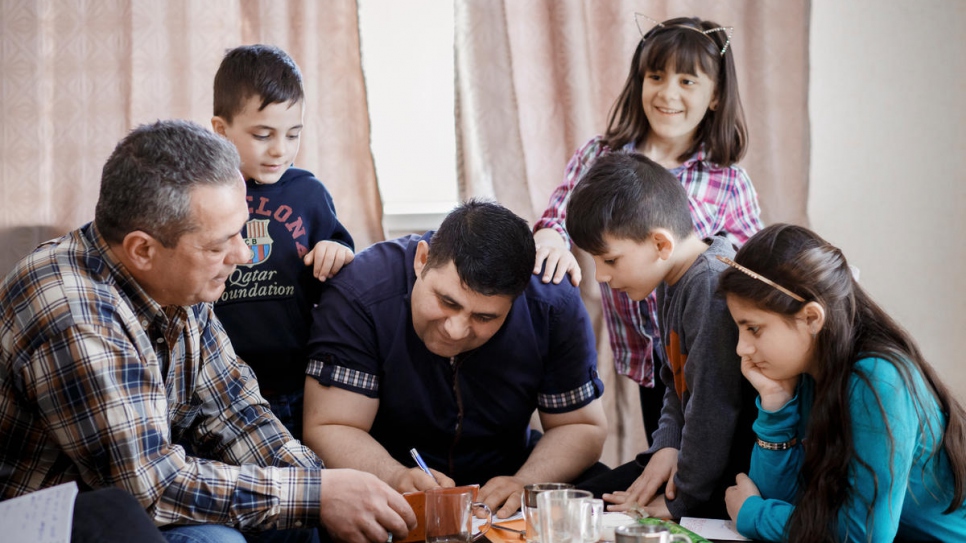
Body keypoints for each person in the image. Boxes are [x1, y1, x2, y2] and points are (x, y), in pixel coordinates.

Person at [0, 120, 415, 543]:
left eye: (241, 230)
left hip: (135, 500)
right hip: (57, 523)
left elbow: (235, 409)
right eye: (220, 244)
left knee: (305, 518)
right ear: (143, 249)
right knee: (220, 541)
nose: (244, 254)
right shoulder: (73, 311)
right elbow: (148, 487)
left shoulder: (181, 285)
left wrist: (331, 488)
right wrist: (316, 495)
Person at [532, 15, 763, 445]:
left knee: (703, 455)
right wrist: (548, 234)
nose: (667, 93)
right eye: (655, 76)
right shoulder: (602, 155)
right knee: (662, 445)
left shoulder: (728, 180)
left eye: (688, 81)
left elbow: (750, 269)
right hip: (646, 359)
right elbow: (558, 217)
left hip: (703, 357)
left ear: (715, 96)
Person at [302, 200, 609, 519]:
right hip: (384, 478)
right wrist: (395, 477)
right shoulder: (361, 290)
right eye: (447, 301)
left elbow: (580, 425)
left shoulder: (551, 303)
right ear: (422, 260)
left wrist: (527, 482)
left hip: (510, 475)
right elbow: (331, 424)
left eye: (484, 316)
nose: (456, 329)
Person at [720, 224, 966, 542]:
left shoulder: (877, 379)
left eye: (753, 328)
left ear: (811, 318)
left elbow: (865, 536)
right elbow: (786, 503)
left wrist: (754, 515)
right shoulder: (809, 370)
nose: (742, 349)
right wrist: (775, 403)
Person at [565, 152, 756, 520]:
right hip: (690, 460)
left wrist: (677, 502)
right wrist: (665, 446)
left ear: (661, 245)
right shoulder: (672, 278)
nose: (600, 276)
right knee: (577, 501)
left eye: (610, 260)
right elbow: (675, 382)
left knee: (599, 515)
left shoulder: (708, 285)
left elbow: (712, 411)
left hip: (723, 476)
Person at [210, 44, 354, 441]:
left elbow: (341, 266)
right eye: (262, 135)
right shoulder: (206, 194)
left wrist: (336, 252)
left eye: (293, 134)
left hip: (294, 386)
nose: (281, 150)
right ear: (221, 130)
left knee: (299, 487)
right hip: (220, 390)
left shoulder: (308, 193)